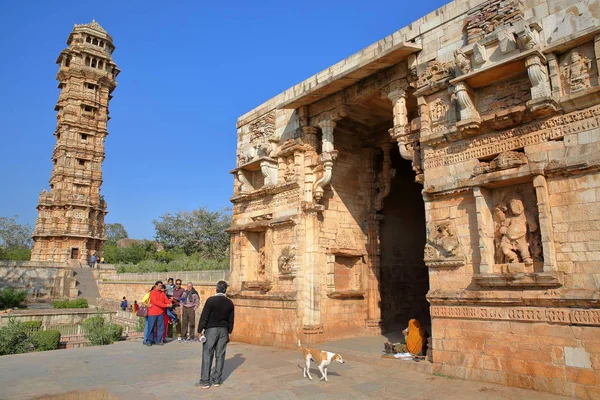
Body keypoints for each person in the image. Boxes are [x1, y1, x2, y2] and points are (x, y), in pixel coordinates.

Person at [196, 281, 235, 389]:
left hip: (211, 330)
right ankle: (217, 380)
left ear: (216, 289)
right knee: (220, 355)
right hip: (224, 330)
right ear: (225, 289)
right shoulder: (229, 303)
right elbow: (231, 320)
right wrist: (229, 332)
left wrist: (199, 331)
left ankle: (205, 381)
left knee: (207, 354)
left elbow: (204, 316)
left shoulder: (211, 301)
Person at [144, 280, 173, 347]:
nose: (160, 287)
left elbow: (165, 299)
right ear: (156, 286)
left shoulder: (162, 293)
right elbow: (156, 302)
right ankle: (149, 340)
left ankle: (159, 340)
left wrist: (169, 303)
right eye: (159, 286)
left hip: (161, 313)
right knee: (151, 327)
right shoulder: (152, 293)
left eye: (161, 286)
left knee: (161, 327)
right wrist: (166, 305)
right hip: (153, 313)